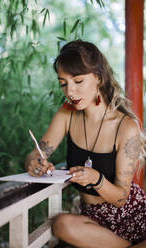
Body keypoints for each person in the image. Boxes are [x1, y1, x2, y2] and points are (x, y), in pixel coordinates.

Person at [25, 40, 146, 248]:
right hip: (92, 220)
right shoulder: (67, 114)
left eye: (78, 81)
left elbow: (121, 198)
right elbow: (37, 152)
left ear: (98, 78)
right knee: (62, 225)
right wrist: (36, 162)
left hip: (132, 218)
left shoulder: (125, 127)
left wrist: (96, 179)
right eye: (63, 83)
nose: (70, 92)